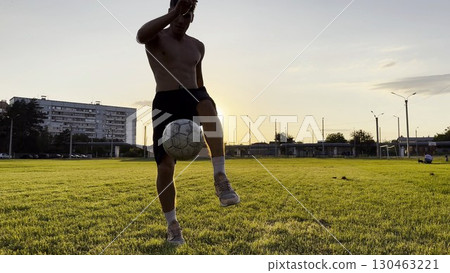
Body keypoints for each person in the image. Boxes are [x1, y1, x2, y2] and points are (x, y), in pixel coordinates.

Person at [137, 0, 240, 245]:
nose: (182, 20)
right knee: (165, 168)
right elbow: (140, 36)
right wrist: (174, 11)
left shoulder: (198, 46)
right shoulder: (156, 38)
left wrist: (207, 103)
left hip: (193, 94)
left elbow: (200, 82)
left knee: (208, 104)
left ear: (193, 17)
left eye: (188, 15)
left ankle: (220, 178)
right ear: (171, 12)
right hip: (166, 102)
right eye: (179, 14)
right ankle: (172, 225)